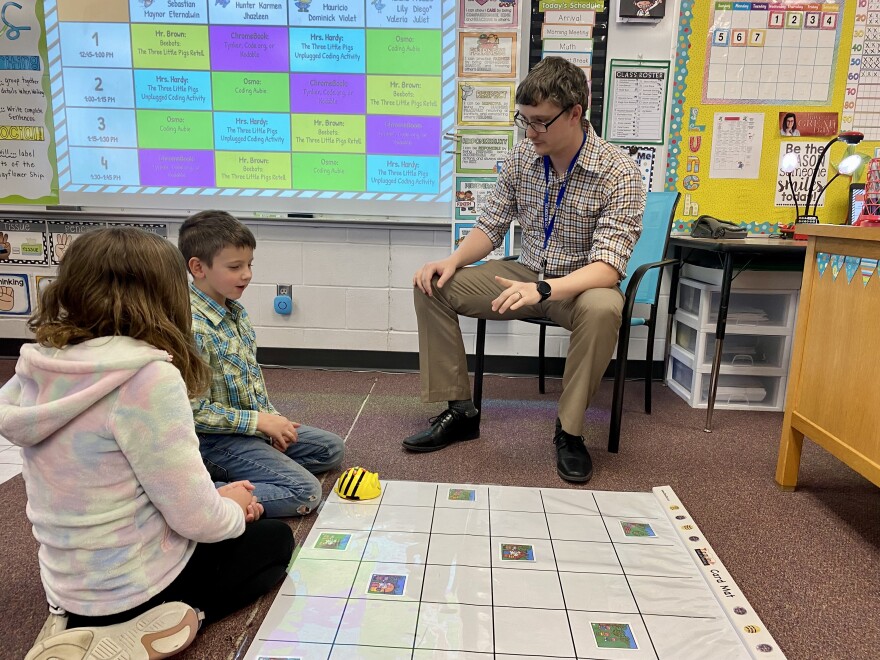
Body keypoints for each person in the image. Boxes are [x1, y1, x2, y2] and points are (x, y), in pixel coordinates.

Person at [0, 227, 295, 660]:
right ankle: (173, 617)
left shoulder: (38, 361)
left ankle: (78, 623)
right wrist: (232, 507)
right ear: (164, 295)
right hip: (133, 588)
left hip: (66, 585)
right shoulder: (148, 377)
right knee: (272, 542)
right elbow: (195, 520)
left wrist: (216, 498)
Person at [404, 57, 645, 483]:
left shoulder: (618, 171)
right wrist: (453, 260)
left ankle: (569, 432)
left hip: (580, 286)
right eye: (524, 120)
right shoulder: (522, 158)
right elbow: (490, 224)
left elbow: (608, 266)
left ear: (575, 114)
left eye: (539, 122)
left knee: (606, 308)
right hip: (524, 272)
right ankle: (460, 411)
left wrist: (546, 290)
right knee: (432, 284)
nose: (529, 131)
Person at [178, 210, 345, 518]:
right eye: (235, 267)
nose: (247, 274)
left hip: (248, 430)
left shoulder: (234, 312)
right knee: (305, 492)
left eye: (249, 264)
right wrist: (259, 423)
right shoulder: (193, 327)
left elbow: (250, 381)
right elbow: (193, 413)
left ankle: (250, 471)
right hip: (214, 443)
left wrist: (271, 421)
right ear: (198, 267)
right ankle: (207, 498)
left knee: (330, 450)